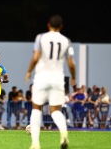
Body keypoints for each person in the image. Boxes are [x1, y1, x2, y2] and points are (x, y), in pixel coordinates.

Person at [25, 14, 76, 149]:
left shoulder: (41, 37)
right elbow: (71, 63)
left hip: (42, 77)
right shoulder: (66, 40)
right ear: (61, 26)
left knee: (36, 109)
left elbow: (36, 57)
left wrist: (29, 71)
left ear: (48, 25)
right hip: (58, 79)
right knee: (55, 111)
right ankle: (63, 134)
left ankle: (35, 144)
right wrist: (74, 77)